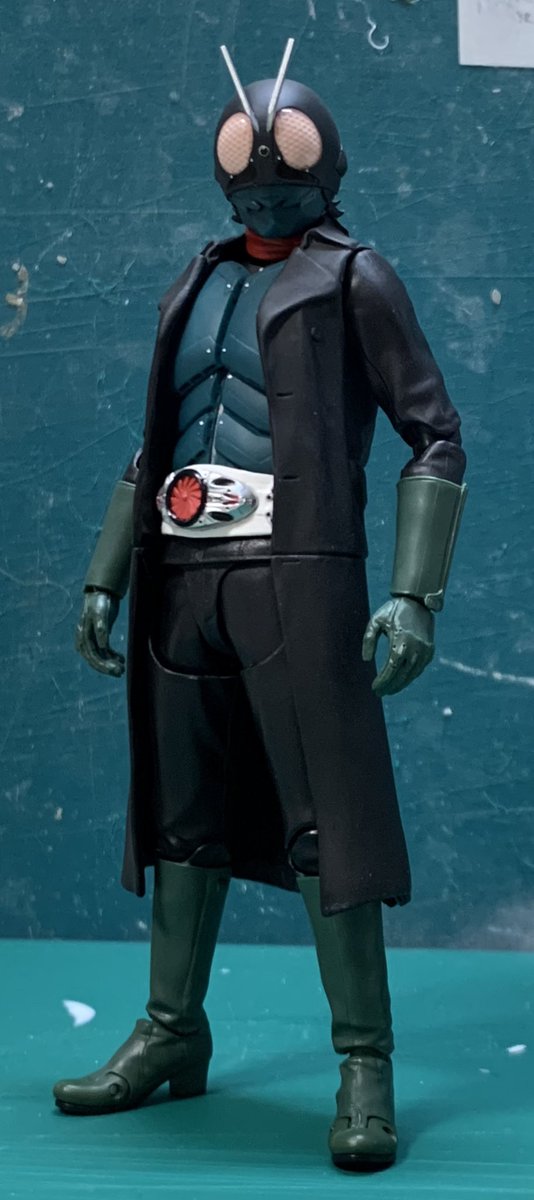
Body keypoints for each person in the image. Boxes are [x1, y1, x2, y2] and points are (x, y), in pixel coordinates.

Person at [53, 41, 467, 1172]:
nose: (268, 178)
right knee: (180, 814)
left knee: (326, 820)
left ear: (327, 164)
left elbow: (435, 435)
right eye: (249, 159)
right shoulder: (195, 280)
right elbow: (156, 439)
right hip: (183, 574)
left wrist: (413, 595)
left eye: (288, 160)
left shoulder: (355, 278)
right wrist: (106, 571)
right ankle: (172, 1030)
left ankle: (364, 1063)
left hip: (297, 574)